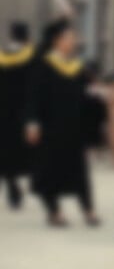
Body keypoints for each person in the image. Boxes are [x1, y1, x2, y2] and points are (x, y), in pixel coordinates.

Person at [25, 19, 100, 227]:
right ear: (57, 41)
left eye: (73, 38)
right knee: (50, 172)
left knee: (79, 172)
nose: (73, 42)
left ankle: (88, 210)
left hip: (74, 129)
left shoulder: (77, 67)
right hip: (51, 129)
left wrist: (98, 94)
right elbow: (33, 96)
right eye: (69, 38)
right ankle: (54, 211)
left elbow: (88, 94)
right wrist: (32, 123)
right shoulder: (44, 65)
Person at [0, 22, 36, 209]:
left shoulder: (1, 56)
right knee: (30, 150)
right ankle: (34, 182)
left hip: (3, 113)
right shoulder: (32, 56)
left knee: (5, 151)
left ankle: (12, 188)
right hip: (25, 111)